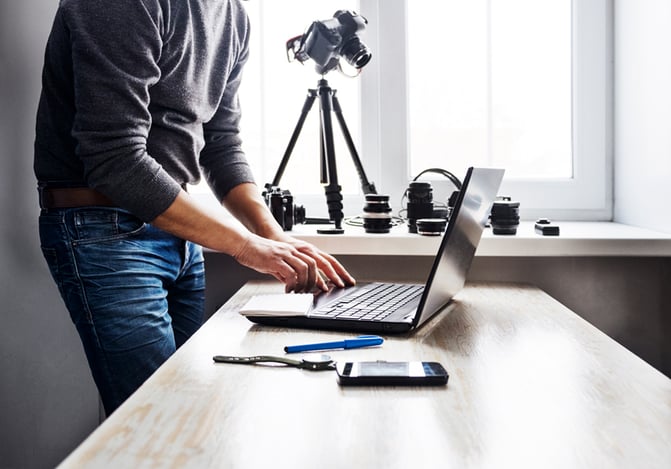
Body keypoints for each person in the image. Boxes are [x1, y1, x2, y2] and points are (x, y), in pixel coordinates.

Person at [34, 0, 355, 416]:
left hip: (178, 229)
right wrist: (244, 245)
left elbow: (220, 143)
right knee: (158, 421)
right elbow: (115, 159)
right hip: (105, 231)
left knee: (187, 414)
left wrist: (275, 237)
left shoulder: (233, 16)